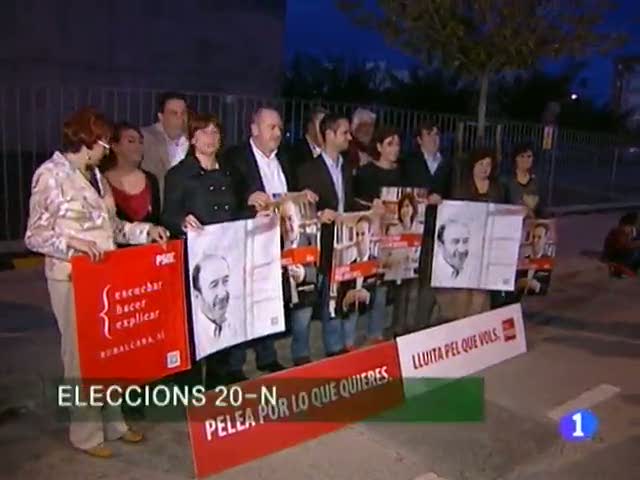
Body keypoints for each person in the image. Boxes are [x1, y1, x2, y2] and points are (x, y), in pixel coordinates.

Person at [24, 107, 169, 458]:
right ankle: (85, 433)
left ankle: (115, 423)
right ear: (87, 141)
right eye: (104, 142)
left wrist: (145, 231)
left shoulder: (96, 176)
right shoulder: (50, 175)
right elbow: (34, 235)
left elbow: (112, 227)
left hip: (104, 277)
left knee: (109, 354)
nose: (107, 149)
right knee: (79, 358)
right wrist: (72, 243)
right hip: (71, 277)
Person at [223, 107, 313, 380]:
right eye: (271, 127)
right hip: (248, 241)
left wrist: (301, 197)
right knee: (243, 302)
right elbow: (227, 199)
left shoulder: (285, 158)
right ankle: (234, 365)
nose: (277, 133)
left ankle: (267, 356)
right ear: (254, 129)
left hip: (280, 241)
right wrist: (248, 202)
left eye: (279, 128)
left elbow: (287, 195)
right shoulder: (234, 158)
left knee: (270, 298)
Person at [297, 113, 367, 356]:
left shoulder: (346, 168)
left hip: (344, 246)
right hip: (320, 245)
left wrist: (370, 209)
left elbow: (347, 203)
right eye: (344, 132)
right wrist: (317, 214)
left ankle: (336, 349)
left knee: (337, 299)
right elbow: (300, 210)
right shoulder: (307, 170)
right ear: (329, 134)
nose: (350, 137)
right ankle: (304, 353)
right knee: (312, 303)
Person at [434, 148, 507, 322]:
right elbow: (454, 216)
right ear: (473, 166)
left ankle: (478, 324)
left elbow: (504, 212)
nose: (484, 168)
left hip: (487, 246)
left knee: (482, 290)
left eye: (488, 164)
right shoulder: (462, 187)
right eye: (481, 164)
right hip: (466, 247)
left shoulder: (497, 188)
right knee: (464, 288)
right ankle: (462, 324)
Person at [335, 215, 385, 349]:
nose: (359, 239)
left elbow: (383, 298)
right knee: (345, 326)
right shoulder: (349, 268)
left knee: (377, 300)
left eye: (363, 234)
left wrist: (368, 297)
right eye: (357, 235)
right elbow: (339, 306)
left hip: (369, 315)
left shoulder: (378, 265)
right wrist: (345, 301)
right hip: (351, 316)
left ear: (370, 236)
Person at [279, 199, 317, 365]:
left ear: (299, 220)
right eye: (283, 220)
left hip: (304, 295)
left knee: (300, 329)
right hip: (281, 298)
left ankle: (301, 359)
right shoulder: (275, 245)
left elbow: (321, 272)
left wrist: (304, 274)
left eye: (290, 219)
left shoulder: (310, 241)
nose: (287, 226)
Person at [101, 122, 161, 224]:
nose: (138, 146)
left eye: (141, 142)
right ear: (115, 146)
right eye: (131, 141)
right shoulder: (101, 180)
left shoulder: (151, 180)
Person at [140, 91, 189, 200]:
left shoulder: (194, 140)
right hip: (157, 201)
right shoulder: (144, 138)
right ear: (161, 116)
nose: (180, 117)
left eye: (184, 113)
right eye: (174, 113)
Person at [402, 121, 453, 200]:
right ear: (419, 140)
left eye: (436, 134)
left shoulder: (448, 163)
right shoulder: (408, 162)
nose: (433, 138)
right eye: (429, 134)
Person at [192, 254, 232, 354]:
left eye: (225, 281)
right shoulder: (194, 335)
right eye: (214, 285)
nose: (222, 293)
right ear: (197, 295)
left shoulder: (233, 325)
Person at [354, 126, 403, 205]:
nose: (395, 148)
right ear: (379, 147)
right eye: (390, 144)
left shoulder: (404, 171)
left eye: (397, 144)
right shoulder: (366, 172)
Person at [504, 142, 546, 219]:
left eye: (529, 156)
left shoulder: (537, 182)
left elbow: (541, 208)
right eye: (522, 156)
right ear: (515, 158)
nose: (525, 159)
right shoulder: (506, 181)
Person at [433, 219, 472, 284]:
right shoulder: (434, 274)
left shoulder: (469, 273)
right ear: (440, 245)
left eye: (465, 241)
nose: (462, 249)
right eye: (455, 242)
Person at [346, 108, 377, 173]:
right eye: (365, 125)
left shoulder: (375, 148)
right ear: (355, 127)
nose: (369, 130)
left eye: (371, 126)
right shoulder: (347, 148)